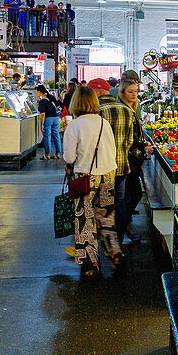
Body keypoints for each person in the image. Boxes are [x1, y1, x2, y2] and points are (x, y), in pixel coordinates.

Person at [63, 86, 121, 278]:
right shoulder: (104, 123)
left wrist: (71, 163)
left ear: (76, 103)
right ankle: (115, 252)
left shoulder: (74, 125)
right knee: (106, 217)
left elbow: (69, 157)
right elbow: (112, 150)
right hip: (108, 173)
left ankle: (91, 262)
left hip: (85, 177)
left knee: (85, 220)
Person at [88, 78, 139, 244]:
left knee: (103, 205)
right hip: (122, 165)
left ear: (98, 91)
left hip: (102, 167)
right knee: (120, 203)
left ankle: (107, 242)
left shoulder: (96, 111)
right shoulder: (127, 110)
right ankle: (120, 239)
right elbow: (131, 140)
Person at [119, 79, 153, 230]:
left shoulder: (131, 109)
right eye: (130, 92)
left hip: (132, 159)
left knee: (131, 195)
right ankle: (122, 227)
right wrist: (142, 149)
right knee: (133, 194)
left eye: (136, 92)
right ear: (122, 93)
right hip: (127, 160)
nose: (134, 95)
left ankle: (124, 225)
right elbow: (126, 138)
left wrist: (143, 145)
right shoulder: (124, 111)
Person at [36, 85, 62, 160]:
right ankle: (57, 153)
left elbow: (42, 114)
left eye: (37, 91)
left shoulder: (42, 102)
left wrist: (41, 125)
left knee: (47, 136)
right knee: (56, 135)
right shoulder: (51, 97)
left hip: (48, 119)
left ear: (39, 91)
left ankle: (47, 154)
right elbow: (57, 104)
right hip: (56, 118)